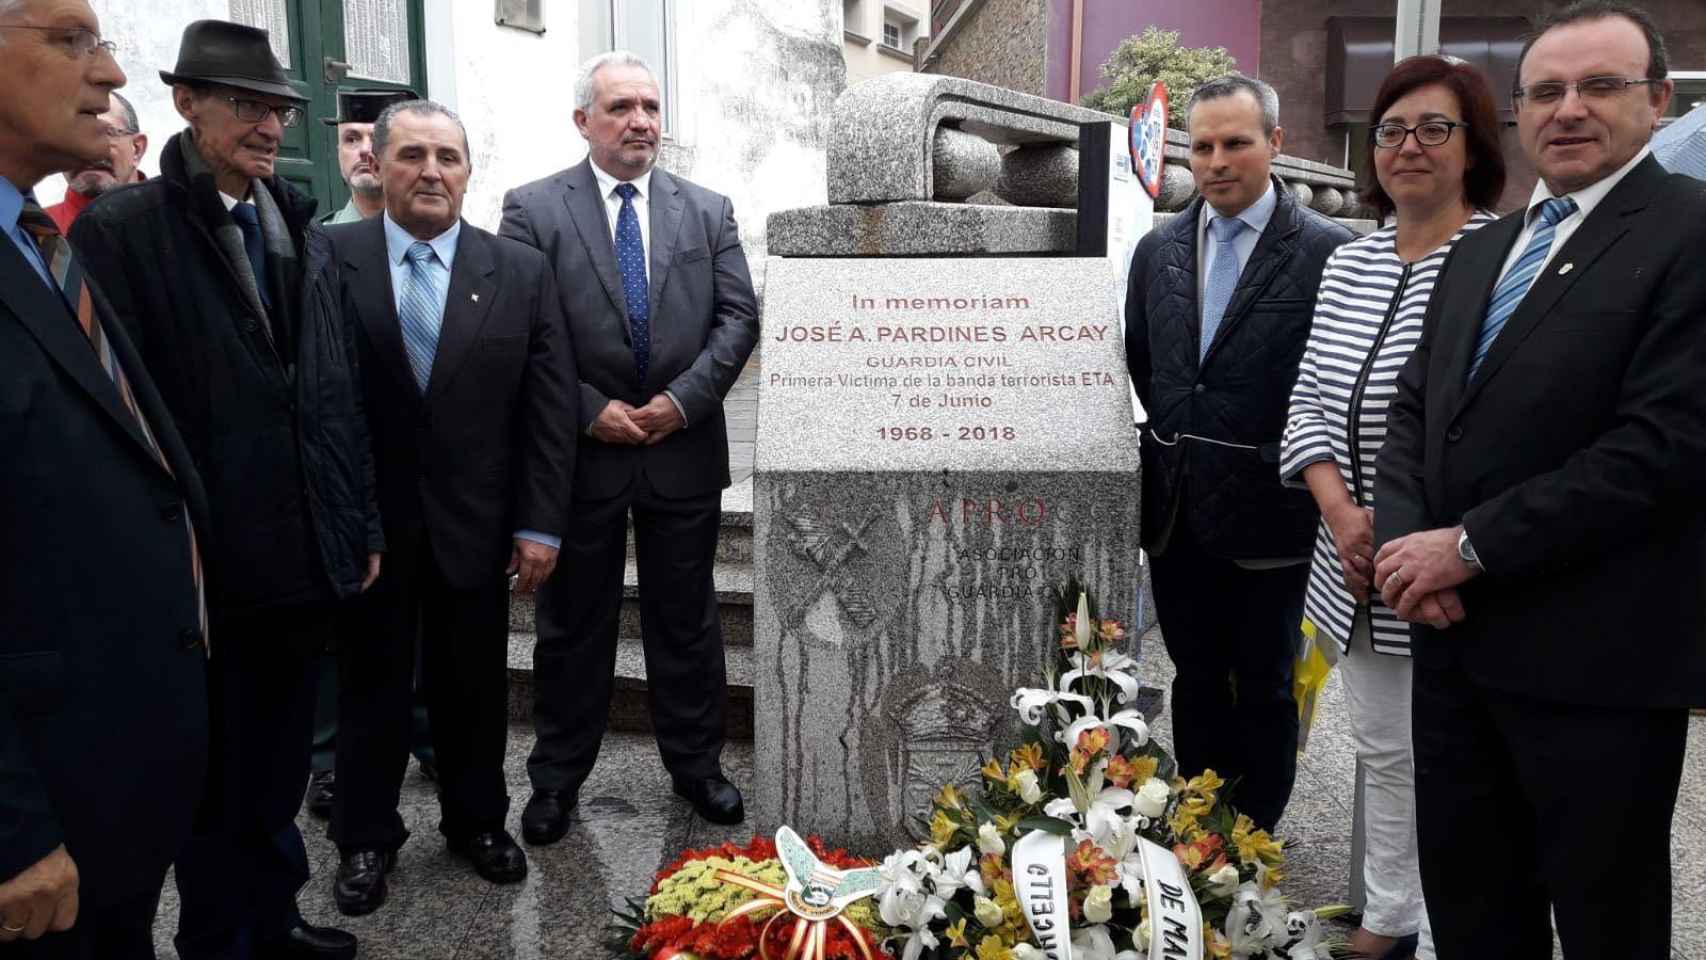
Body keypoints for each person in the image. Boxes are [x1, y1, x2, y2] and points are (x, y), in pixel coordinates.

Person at [1371, 4, 1706, 957]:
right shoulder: (1482, 247)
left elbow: (1666, 445)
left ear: (1658, 100)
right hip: (1453, 651)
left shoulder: (1690, 232)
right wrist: (1407, 552)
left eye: (1599, 86)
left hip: (1594, 664)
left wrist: (1469, 547)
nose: (1569, 109)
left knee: (1607, 920)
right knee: (1476, 910)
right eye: (1546, 91)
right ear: (1518, 112)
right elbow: (1413, 415)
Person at [70, 19, 380, 960]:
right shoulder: (129, 231)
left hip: (300, 555)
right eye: (245, 104)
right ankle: (219, 938)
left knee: (278, 764)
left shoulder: (293, 219)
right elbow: (126, 412)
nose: (267, 124)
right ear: (186, 102)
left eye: (278, 107)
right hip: (209, 567)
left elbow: (333, 391)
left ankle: (272, 918)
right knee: (214, 776)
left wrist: (356, 516)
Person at [500, 49, 760, 843]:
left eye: (649, 106)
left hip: (680, 451)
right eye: (620, 107)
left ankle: (697, 767)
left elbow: (738, 317)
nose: (641, 120)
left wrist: (682, 404)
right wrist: (588, 410)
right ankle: (556, 781)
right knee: (574, 625)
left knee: (687, 622)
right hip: (580, 456)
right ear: (584, 120)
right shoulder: (533, 209)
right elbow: (522, 330)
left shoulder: (708, 208)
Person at [325, 98, 577, 913]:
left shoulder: (519, 272)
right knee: (371, 693)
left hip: (479, 527)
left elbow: (546, 409)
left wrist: (539, 522)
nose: (431, 172)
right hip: (369, 531)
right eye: (413, 156)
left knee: (474, 690)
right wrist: (342, 519)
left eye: (448, 158)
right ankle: (365, 837)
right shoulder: (328, 258)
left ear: (468, 172)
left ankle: (477, 823)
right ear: (380, 165)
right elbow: (322, 405)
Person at [1280, 54, 1507, 960]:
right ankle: (1388, 916)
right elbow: (1304, 402)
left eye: (1434, 128)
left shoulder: (1501, 259)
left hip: (1452, 568)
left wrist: (1425, 536)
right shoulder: (1349, 262)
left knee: (1462, 765)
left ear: (1474, 144)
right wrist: (1339, 511)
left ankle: (1467, 925)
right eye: (1390, 130)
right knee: (1381, 751)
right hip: (1352, 567)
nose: (1409, 147)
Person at [0, 3, 207, 956]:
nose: (114, 73)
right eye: (71, 40)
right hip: (36, 822)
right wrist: (13, 829)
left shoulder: (40, 243)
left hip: (112, 774)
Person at [1125, 74, 1352, 832]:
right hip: (1177, 508)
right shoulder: (1157, 250)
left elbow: (1335, 383)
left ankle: (1253, 838)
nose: (1217, 161)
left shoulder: (1326, 252)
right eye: (1204, 145)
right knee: (1193, 676)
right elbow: (1145, 359)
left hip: (1273, 514)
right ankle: (1196, 821)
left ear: (1275, 144)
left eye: (1236, 142)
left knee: (1263, 682)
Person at [306, 84, 432, 824]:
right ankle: (328, 760)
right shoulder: (315, 247)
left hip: (439, 491)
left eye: (370, 137)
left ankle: (429, 739)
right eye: (351, 137)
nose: (360, 152)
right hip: (353, 484)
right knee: (345, 641)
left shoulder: (458, 244)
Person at [43, 90, 143, 232]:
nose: (87, 151)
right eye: (73, 137)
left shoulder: (179, 219)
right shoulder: (33, 237)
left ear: (137, 148)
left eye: (104, 133)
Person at [318, 87, 413, 226]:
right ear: (338, 151)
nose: (364, 150)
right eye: (351, 139)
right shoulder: (316, 240)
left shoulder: (435, 236)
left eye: (378, 139)